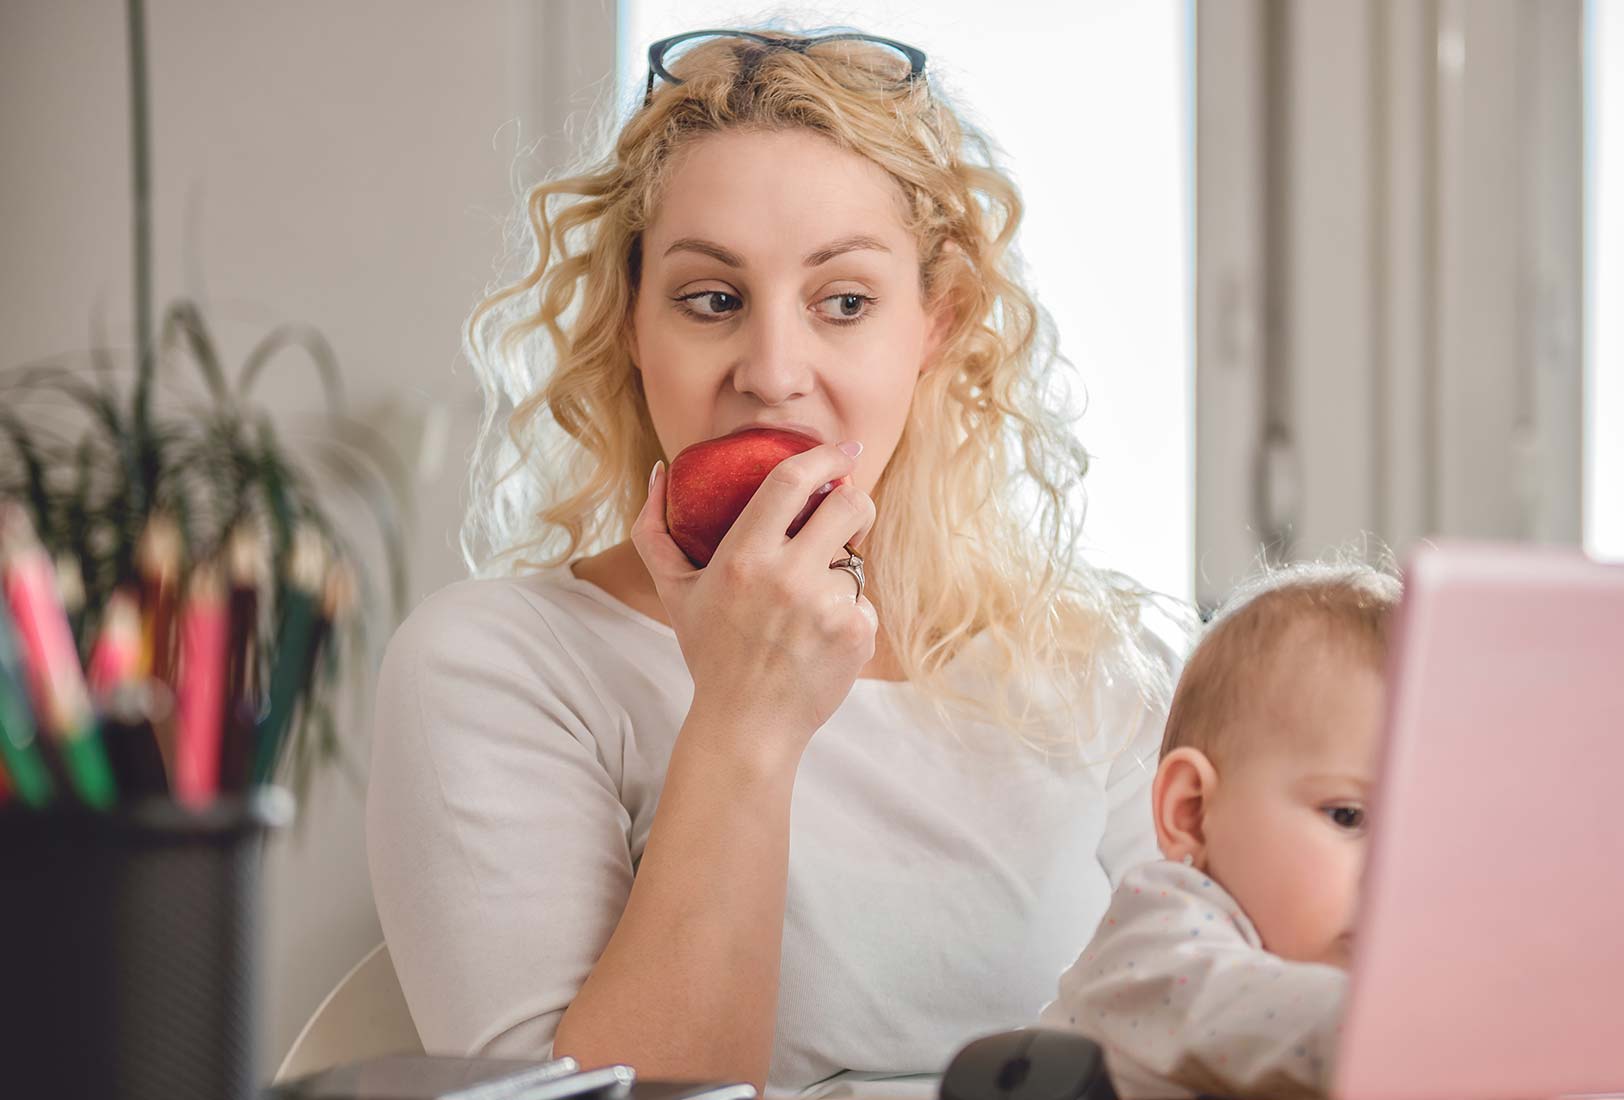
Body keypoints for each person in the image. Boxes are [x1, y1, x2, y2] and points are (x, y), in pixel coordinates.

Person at [363, 27, 1178, 1092]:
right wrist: (747, 711)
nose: (773, 373)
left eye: (843, 301)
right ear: (631, 326)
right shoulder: (499, 666)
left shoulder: (1103, 669)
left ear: (937, 324)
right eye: (712, 299)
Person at [1042, 559, 1402, 1100]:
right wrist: (1441, 1022)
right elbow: (1254, 1014)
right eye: (1349, 816)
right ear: (1191, 813)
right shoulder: (1157, 939)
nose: (1398, 874)